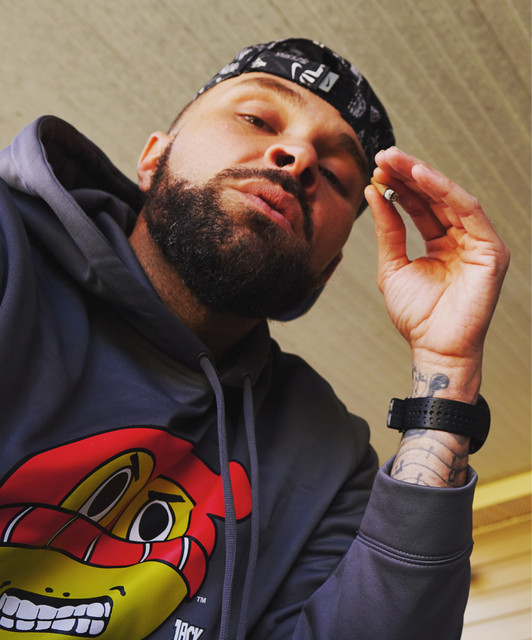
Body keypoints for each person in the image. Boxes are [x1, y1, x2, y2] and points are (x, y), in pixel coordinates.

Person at [0, 38, 509, 640]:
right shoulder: (12, 252)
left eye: (336, 174)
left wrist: (448, 368)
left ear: (325, 270)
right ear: (153, 158)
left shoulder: (331, 455)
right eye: (256, 118)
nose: (299, 156)